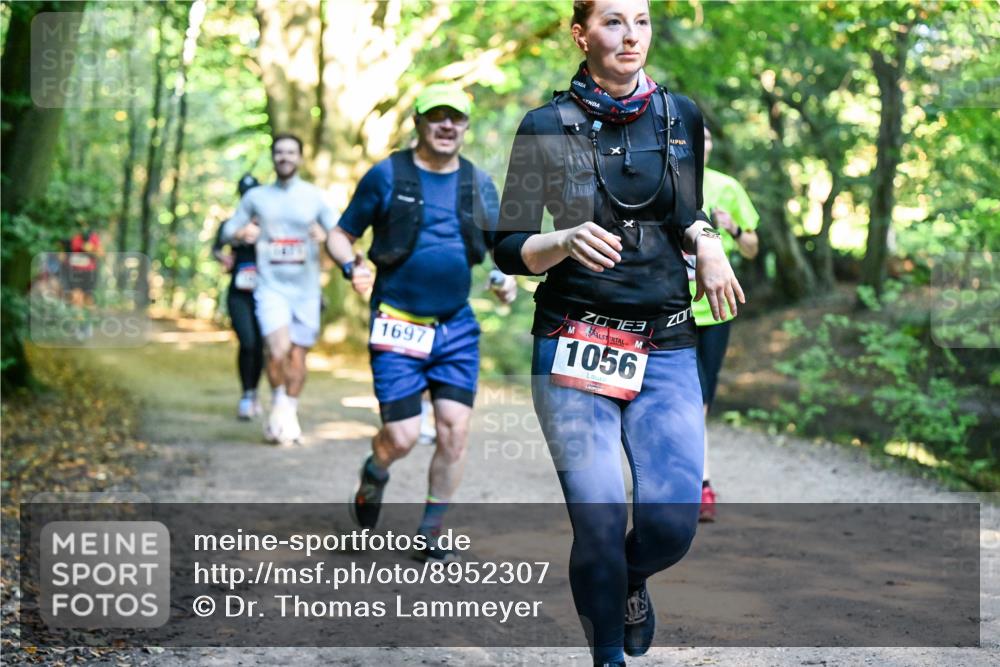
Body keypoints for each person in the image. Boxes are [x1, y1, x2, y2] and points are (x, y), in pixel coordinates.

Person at [492, 1, 744, 664]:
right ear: (581, 34)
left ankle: (629, 580)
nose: (631, 36)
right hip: (574, 340)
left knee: (671, 525)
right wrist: (562, 239)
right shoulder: (544, 125)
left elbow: (686, 213)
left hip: (666, 343)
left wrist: (708, 242)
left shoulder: (680, 115)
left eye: (641, 20)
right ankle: (607, 651)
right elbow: (508, 245)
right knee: (600, 522)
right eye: (613, 21)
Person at [328, 83, 517, 563]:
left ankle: (430, 532)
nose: (447, 125)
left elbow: (504, 248)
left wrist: (506, 278)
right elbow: (339, 235)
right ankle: (375, 471)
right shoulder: (386, 175)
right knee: (402, 437)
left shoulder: (477, 183)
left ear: (466, 126)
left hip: (455, 326)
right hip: (397, 322)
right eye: (437, 116)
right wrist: (351, 266)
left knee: (454, 430)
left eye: (456, 118)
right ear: (418, 123)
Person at [222, 134, 338, 445]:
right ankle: (278, 403)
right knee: (276, 350)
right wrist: (241, 232)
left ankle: (289, 411)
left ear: (300, 157)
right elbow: (228, 229)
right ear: (273, 157)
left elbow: (340, 232)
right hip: (270, 287)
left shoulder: (315, 197)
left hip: (306, 289)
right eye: (279, 152)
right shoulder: (256, 197)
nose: (285, 157)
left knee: (298, 355)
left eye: (290, 152)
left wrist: (325, 236)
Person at [688, 127, 760, 522]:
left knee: (703, 396)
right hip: (672, 307)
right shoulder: (665, 179)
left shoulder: (727, 187)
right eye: (695, 137)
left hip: (716, 309)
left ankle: (687, 475)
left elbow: (751, 248)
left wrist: (732, 228)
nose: (703, 145)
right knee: (693, 396)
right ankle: (701, 483)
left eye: (708, 139)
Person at [213, 174, 265, 421]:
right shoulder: (231, 224)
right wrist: (224, 256)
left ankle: (254, 393)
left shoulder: (270, 223)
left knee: (261, 346)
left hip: (265, 293)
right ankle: (246, 394)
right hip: (239, 294)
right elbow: (216, 247)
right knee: (248, 343)